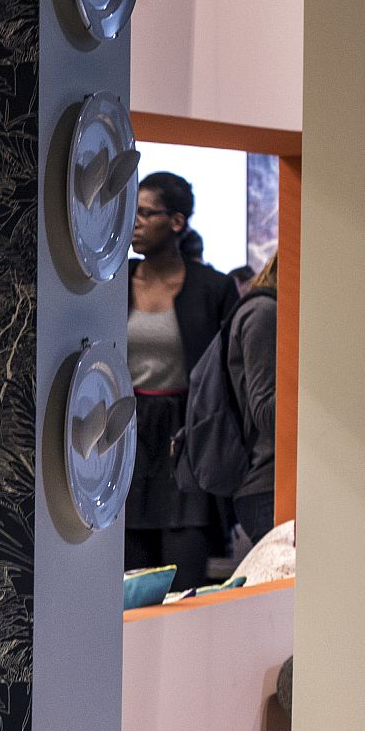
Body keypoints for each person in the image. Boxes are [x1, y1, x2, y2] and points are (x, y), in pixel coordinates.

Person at [125, 170, 237, 589]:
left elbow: (229, 374)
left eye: (145, 212)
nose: (133, 222)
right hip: (126, 438)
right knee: (128, 581)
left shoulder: (213, 287)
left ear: (176, 222)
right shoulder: (111, 285)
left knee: (185, 578)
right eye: (130, 211)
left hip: (186, 441)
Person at [227, 254, 280, 549]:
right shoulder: (264, 312)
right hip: (265, 487)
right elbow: (265, 412)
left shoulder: (266, 310)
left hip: (271, 485)